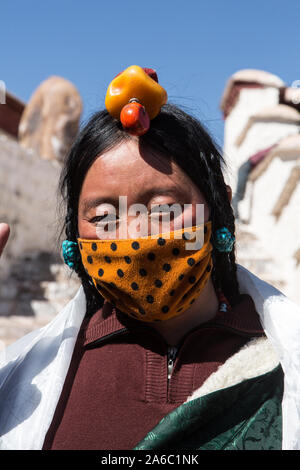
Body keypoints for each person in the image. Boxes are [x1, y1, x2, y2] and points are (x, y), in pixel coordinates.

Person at [0, 66, 300, 451]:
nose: (136, 234)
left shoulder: (284, 358)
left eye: (165, 209)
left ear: (220, 208)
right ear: (75, 235)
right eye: (105, 217)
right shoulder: (25, 382)